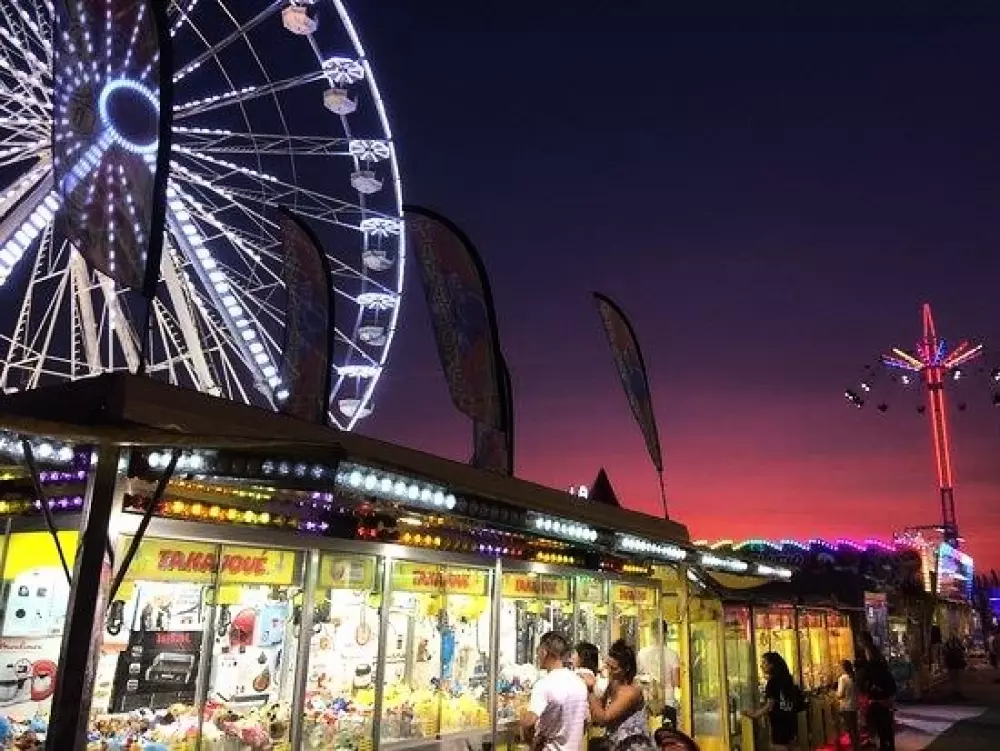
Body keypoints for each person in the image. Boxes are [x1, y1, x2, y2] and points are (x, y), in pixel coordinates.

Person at [582, 640, 656, 751]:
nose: (610, 671)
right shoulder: (614, 683)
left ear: (626, 669)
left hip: (633, 746)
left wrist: (590, 690)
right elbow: (598, 712)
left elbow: (603, 718)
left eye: (614, 668)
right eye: (608, 666)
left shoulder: (631, 692)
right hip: (617, 743)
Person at [520, 632, 589, 751]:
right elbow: (586, 721)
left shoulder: (544, 684)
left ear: (544, 652)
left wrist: (522, 713)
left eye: (538, 651)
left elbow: (529, 722)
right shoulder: (579, 683)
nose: (537, 656)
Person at [742, 652, 800, 751]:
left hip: (779, 722)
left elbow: (770, 704)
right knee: (792, 745)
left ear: (772, 665)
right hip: (791, 719)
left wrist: (755, 714)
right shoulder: (787, 678)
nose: (761, 666)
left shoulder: (772, 682)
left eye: (764, 663)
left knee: (779, 746)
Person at [638, 622, 681, 712]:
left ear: (651, 633)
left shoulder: (642, 653)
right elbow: (676, 682)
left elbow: (639, 678)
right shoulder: (672, 654)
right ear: (666, 633)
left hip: (647, 699)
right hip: (667, 700)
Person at [861, 641, 896, 751]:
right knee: (886, 728)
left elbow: (869, 684)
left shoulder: (873, 668)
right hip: (884, 700)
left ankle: (883, 745)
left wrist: (873, 689)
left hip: (878, 701)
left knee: (880, 727)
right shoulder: (882, 666)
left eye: (866, 652)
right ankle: (887, 745)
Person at [835, 659, 860, 751]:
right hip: (854, 705)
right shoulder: (854, 677)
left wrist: (835, 694)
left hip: (846, 707)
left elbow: (840, 694)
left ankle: (852, 747)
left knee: (849, 728)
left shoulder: (842, 679)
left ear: (843, 668)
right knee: (855, 728)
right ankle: (857, 747)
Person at [943, 635, 967, 699]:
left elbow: (945, 653)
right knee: (958, 679)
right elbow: (963, 651)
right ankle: (957, 692)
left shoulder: (948, 646)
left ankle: (955, 692)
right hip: (958, 664)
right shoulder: (959, 646)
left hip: (952, 664)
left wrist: (945, 663)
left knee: (954, 679)